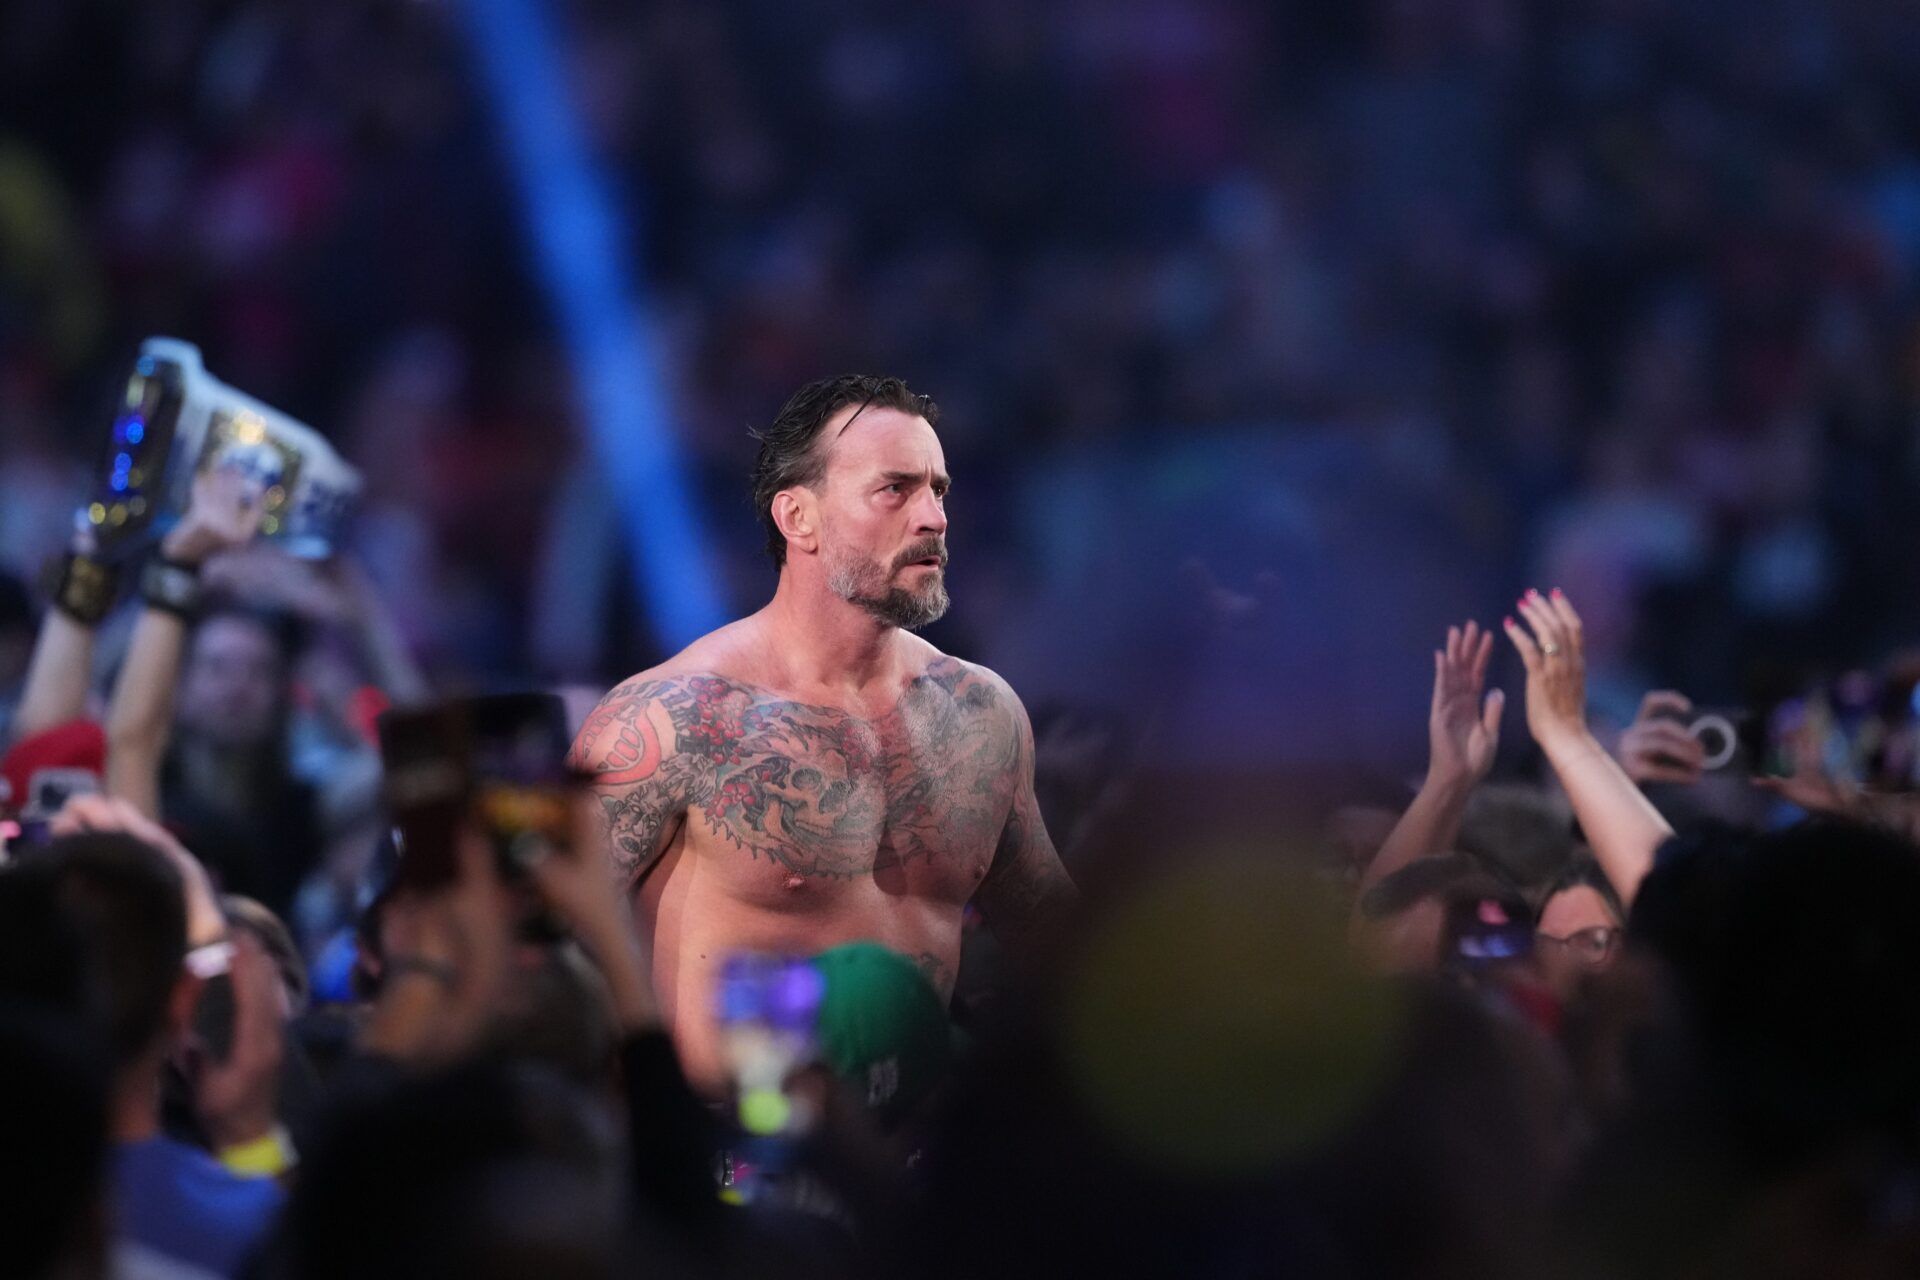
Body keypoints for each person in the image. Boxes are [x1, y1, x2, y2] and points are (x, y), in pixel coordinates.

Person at [570, 375, 1077, 1091]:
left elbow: (1057, 949)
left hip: (917, 1174)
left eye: (939, 489)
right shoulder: (676, 719)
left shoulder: (981, 714)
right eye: (895, 489)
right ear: (798, 518)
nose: (933, 517)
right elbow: (548, 950)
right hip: (734, 1164)